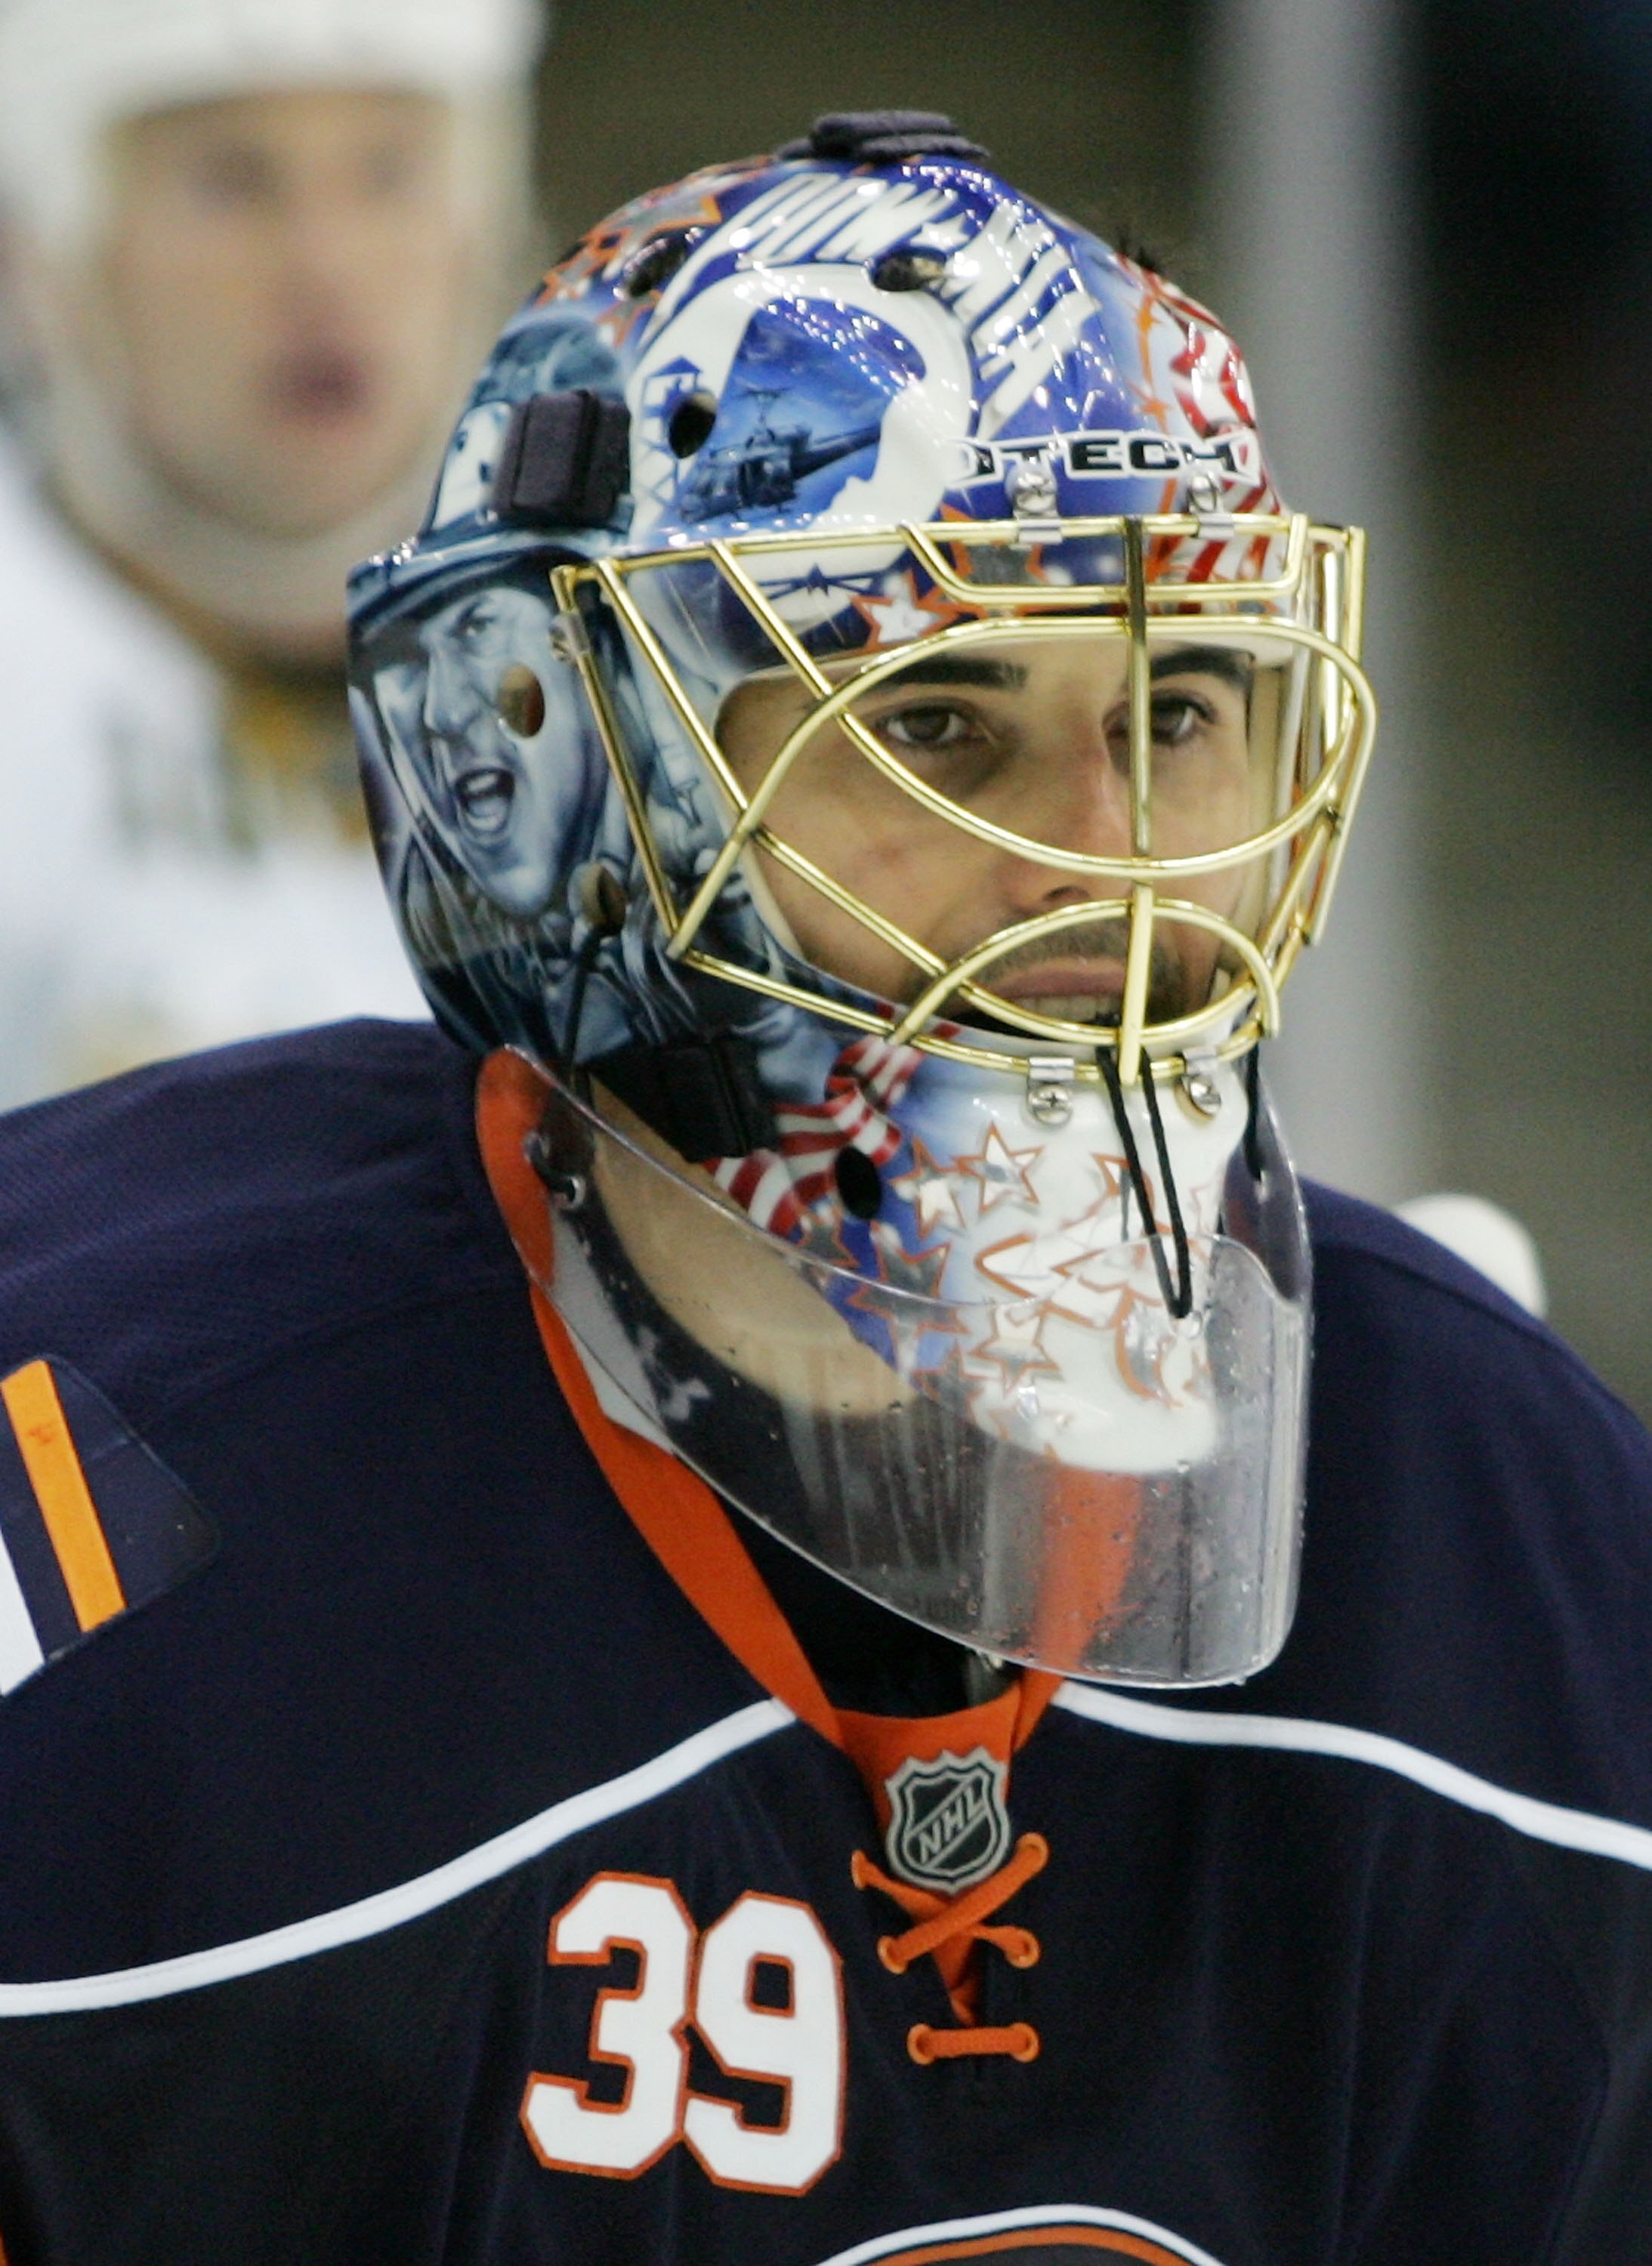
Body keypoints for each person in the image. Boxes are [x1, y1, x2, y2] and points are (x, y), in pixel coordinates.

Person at [0, 113, 1647, 2265]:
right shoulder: (114, 1527)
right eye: (942, 726)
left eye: (1180, 707)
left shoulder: (1505, 1533)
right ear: (570, 787)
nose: (1108, 865)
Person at [0, 0, 546, 1104]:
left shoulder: (641, 660)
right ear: (47, 245)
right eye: (231, 181)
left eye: (390, 172)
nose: (324, 265)